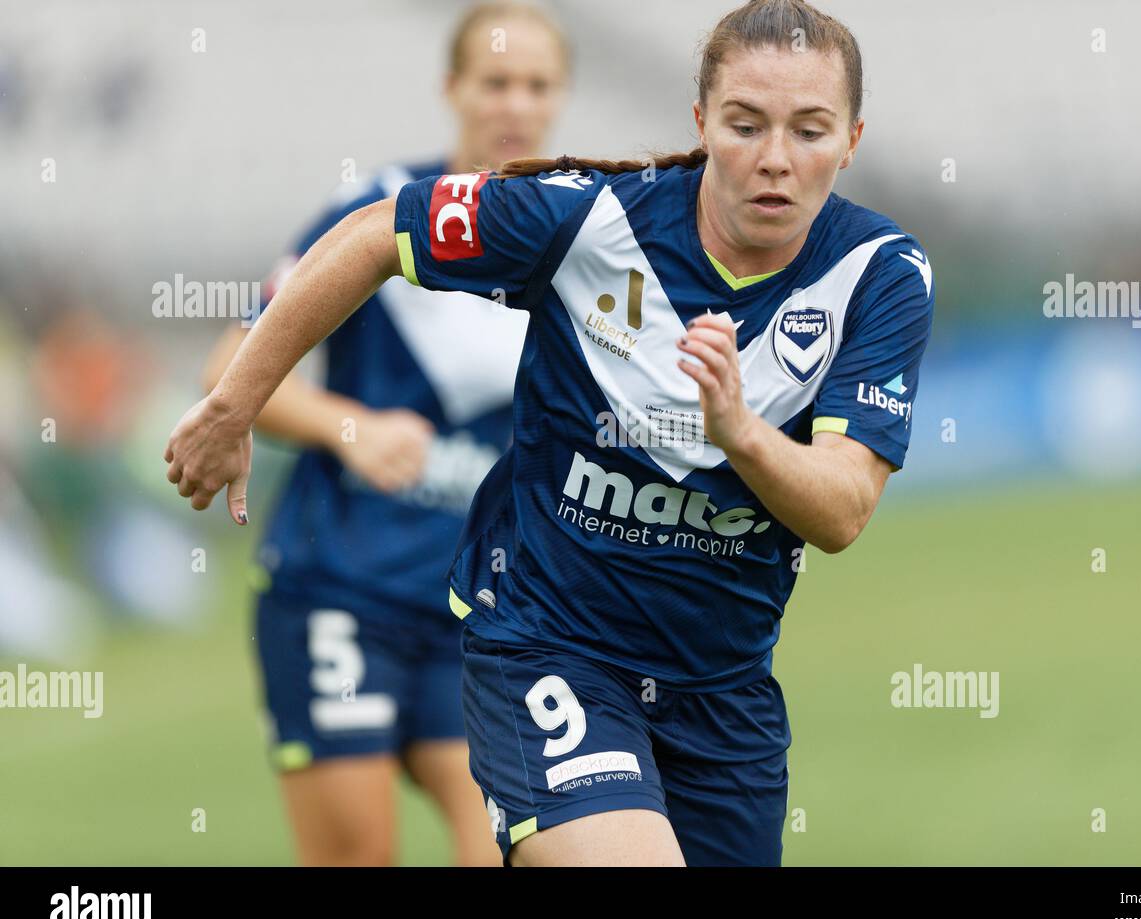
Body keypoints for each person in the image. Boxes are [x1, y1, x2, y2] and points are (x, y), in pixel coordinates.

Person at [166, 0, 935, 866]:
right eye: (746, 124)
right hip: (535, 642)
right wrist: (243, 407)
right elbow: (376, 233)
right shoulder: (581, 217)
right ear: (702, 123)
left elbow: (840, 515)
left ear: (853, 139)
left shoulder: (881, 272)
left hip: (723, 692)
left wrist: (740, 433)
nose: (774, 159)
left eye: (810, 130)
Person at [200, 2, 570, 867]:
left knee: (509, 849)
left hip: (471, 609)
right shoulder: (378, 213)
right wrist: (348, 426)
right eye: (496, 81)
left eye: (537, 85)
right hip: (341, 594)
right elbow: (227, 364)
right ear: (452, 89)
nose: (515, 103)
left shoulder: (577, 237)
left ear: (561, 98)